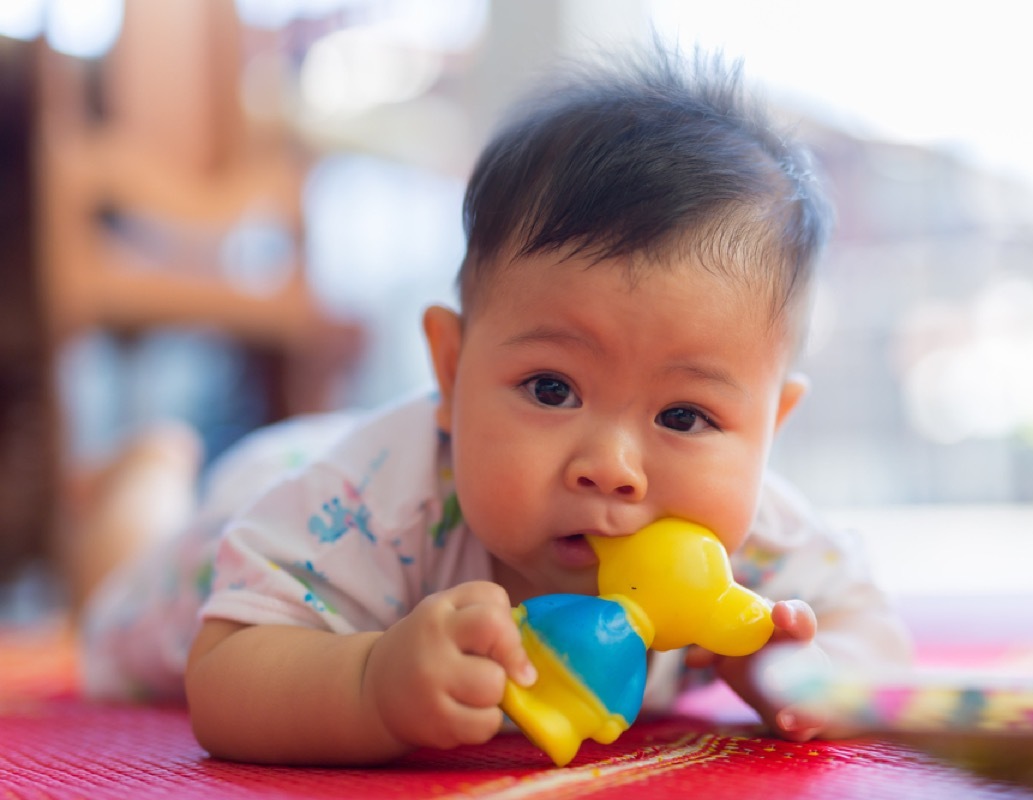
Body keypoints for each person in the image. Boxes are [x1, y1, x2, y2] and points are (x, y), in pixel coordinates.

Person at [76, 42, 911, 765]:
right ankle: (140, 480)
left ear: (770, 430)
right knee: (109, 611)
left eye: (684, 417)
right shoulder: (371, 509)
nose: (612, 468)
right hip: (274, 504)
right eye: (553, 389)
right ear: (451, 369)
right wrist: (370, 681)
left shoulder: (759, 546)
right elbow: (224, 677)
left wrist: (808, 673)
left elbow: (873, 640)